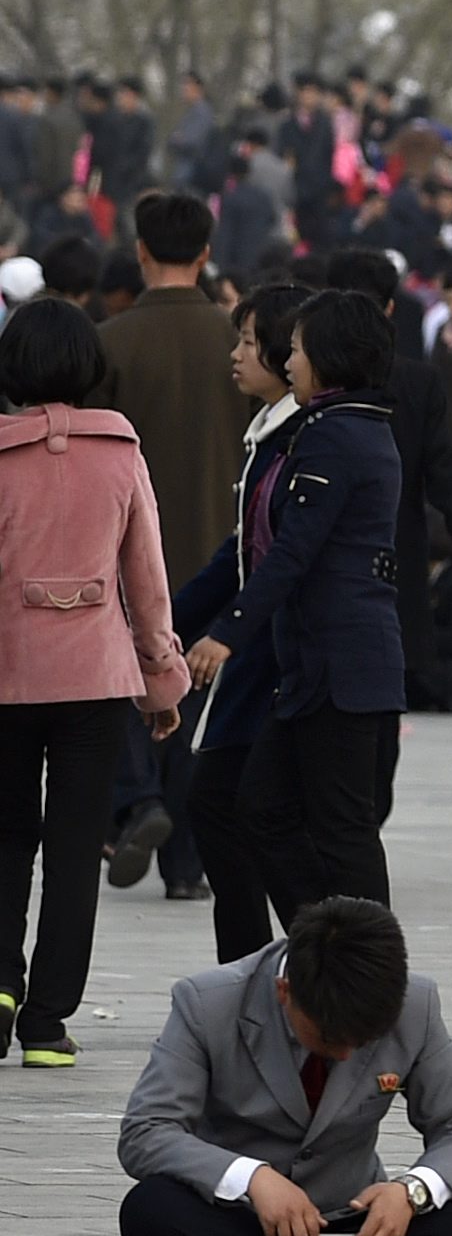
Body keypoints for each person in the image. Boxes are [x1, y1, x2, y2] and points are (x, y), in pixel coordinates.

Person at [116, 896, 452, 1236]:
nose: (345, 1053)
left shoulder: (416, 1004)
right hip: (240, 1225)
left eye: (365, 1040)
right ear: (286, 993)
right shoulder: (207, 1003)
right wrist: (251, 1179)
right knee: (152, 1210)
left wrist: (411, 1191)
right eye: (330, 1036)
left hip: (350, 1229)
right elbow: (146, 1132)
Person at [0, 302, 190, 1067]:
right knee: (78, 848)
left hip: (8, 679)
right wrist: (162, 680)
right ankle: (47, 1022)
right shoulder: (120, 452)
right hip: (94, 682)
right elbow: (147, 580)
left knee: (6, 838)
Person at [183, 289, 404, 912]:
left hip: (342, 667)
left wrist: (226, 631)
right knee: (262, 808)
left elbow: (292, 551)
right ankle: (322, 952)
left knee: (342, 832)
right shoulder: (337, 427)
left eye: (298, 351)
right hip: (316, 667)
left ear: (330, 356)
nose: (289, 364)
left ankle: (366, 974)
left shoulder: (335, 435)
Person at [97, 189, 244, 905]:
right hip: (222, 551)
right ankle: (189, 864)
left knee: (133, 691)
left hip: (127, 552)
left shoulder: (111, 340)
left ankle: (138, 801)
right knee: (196, 703)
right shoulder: (239, 340)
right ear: (207, 253)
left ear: (141, 252)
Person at [172, 286, 308, 961]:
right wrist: (172, 622)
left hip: (276, 657)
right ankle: (254, 973)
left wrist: (223, 630)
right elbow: (240, 551)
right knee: (221, 805)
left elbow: (279, 557)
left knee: (235, 805)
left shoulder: (300, 439)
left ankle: (315, 961)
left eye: (249, 342)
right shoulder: (269, 434)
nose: (237, 354)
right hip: (254, 651)